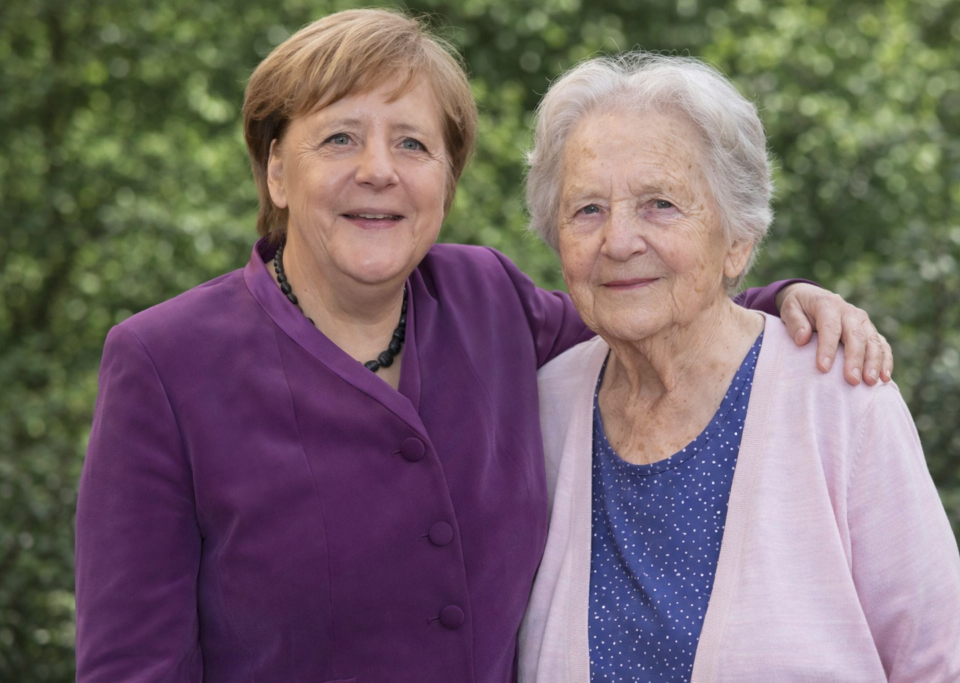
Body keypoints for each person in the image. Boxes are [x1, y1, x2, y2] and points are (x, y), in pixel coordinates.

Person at [75, 10, 892, 683]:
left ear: (446, 181)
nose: (378, 170)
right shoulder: (164, 363)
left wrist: (782, 302)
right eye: (338, 139)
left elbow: (645, 324)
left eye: (412, 144)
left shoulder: (486, 299)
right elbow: (130, 666)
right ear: (276, 173)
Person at [517, 53, 960, 682]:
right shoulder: (541, 408)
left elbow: (943, 666)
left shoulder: (838, 396)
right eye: (587, 210)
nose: (619, 240)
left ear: (737, 240)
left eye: (659, 203)